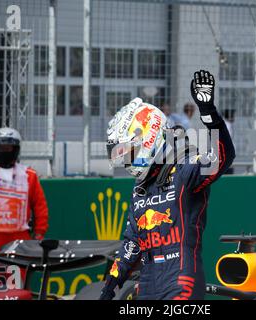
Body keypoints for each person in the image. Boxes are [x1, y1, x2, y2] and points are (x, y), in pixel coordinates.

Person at [101, 70, 235, 300]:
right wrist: (111, 284)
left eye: (127, 151)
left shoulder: (184, 168)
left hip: (180, 279)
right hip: (147, 281)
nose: (125, 160)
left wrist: (208, 111)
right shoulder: (139, 187)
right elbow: (132, 243)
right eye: (121, 155)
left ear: (147, 137)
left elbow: (223, 157)